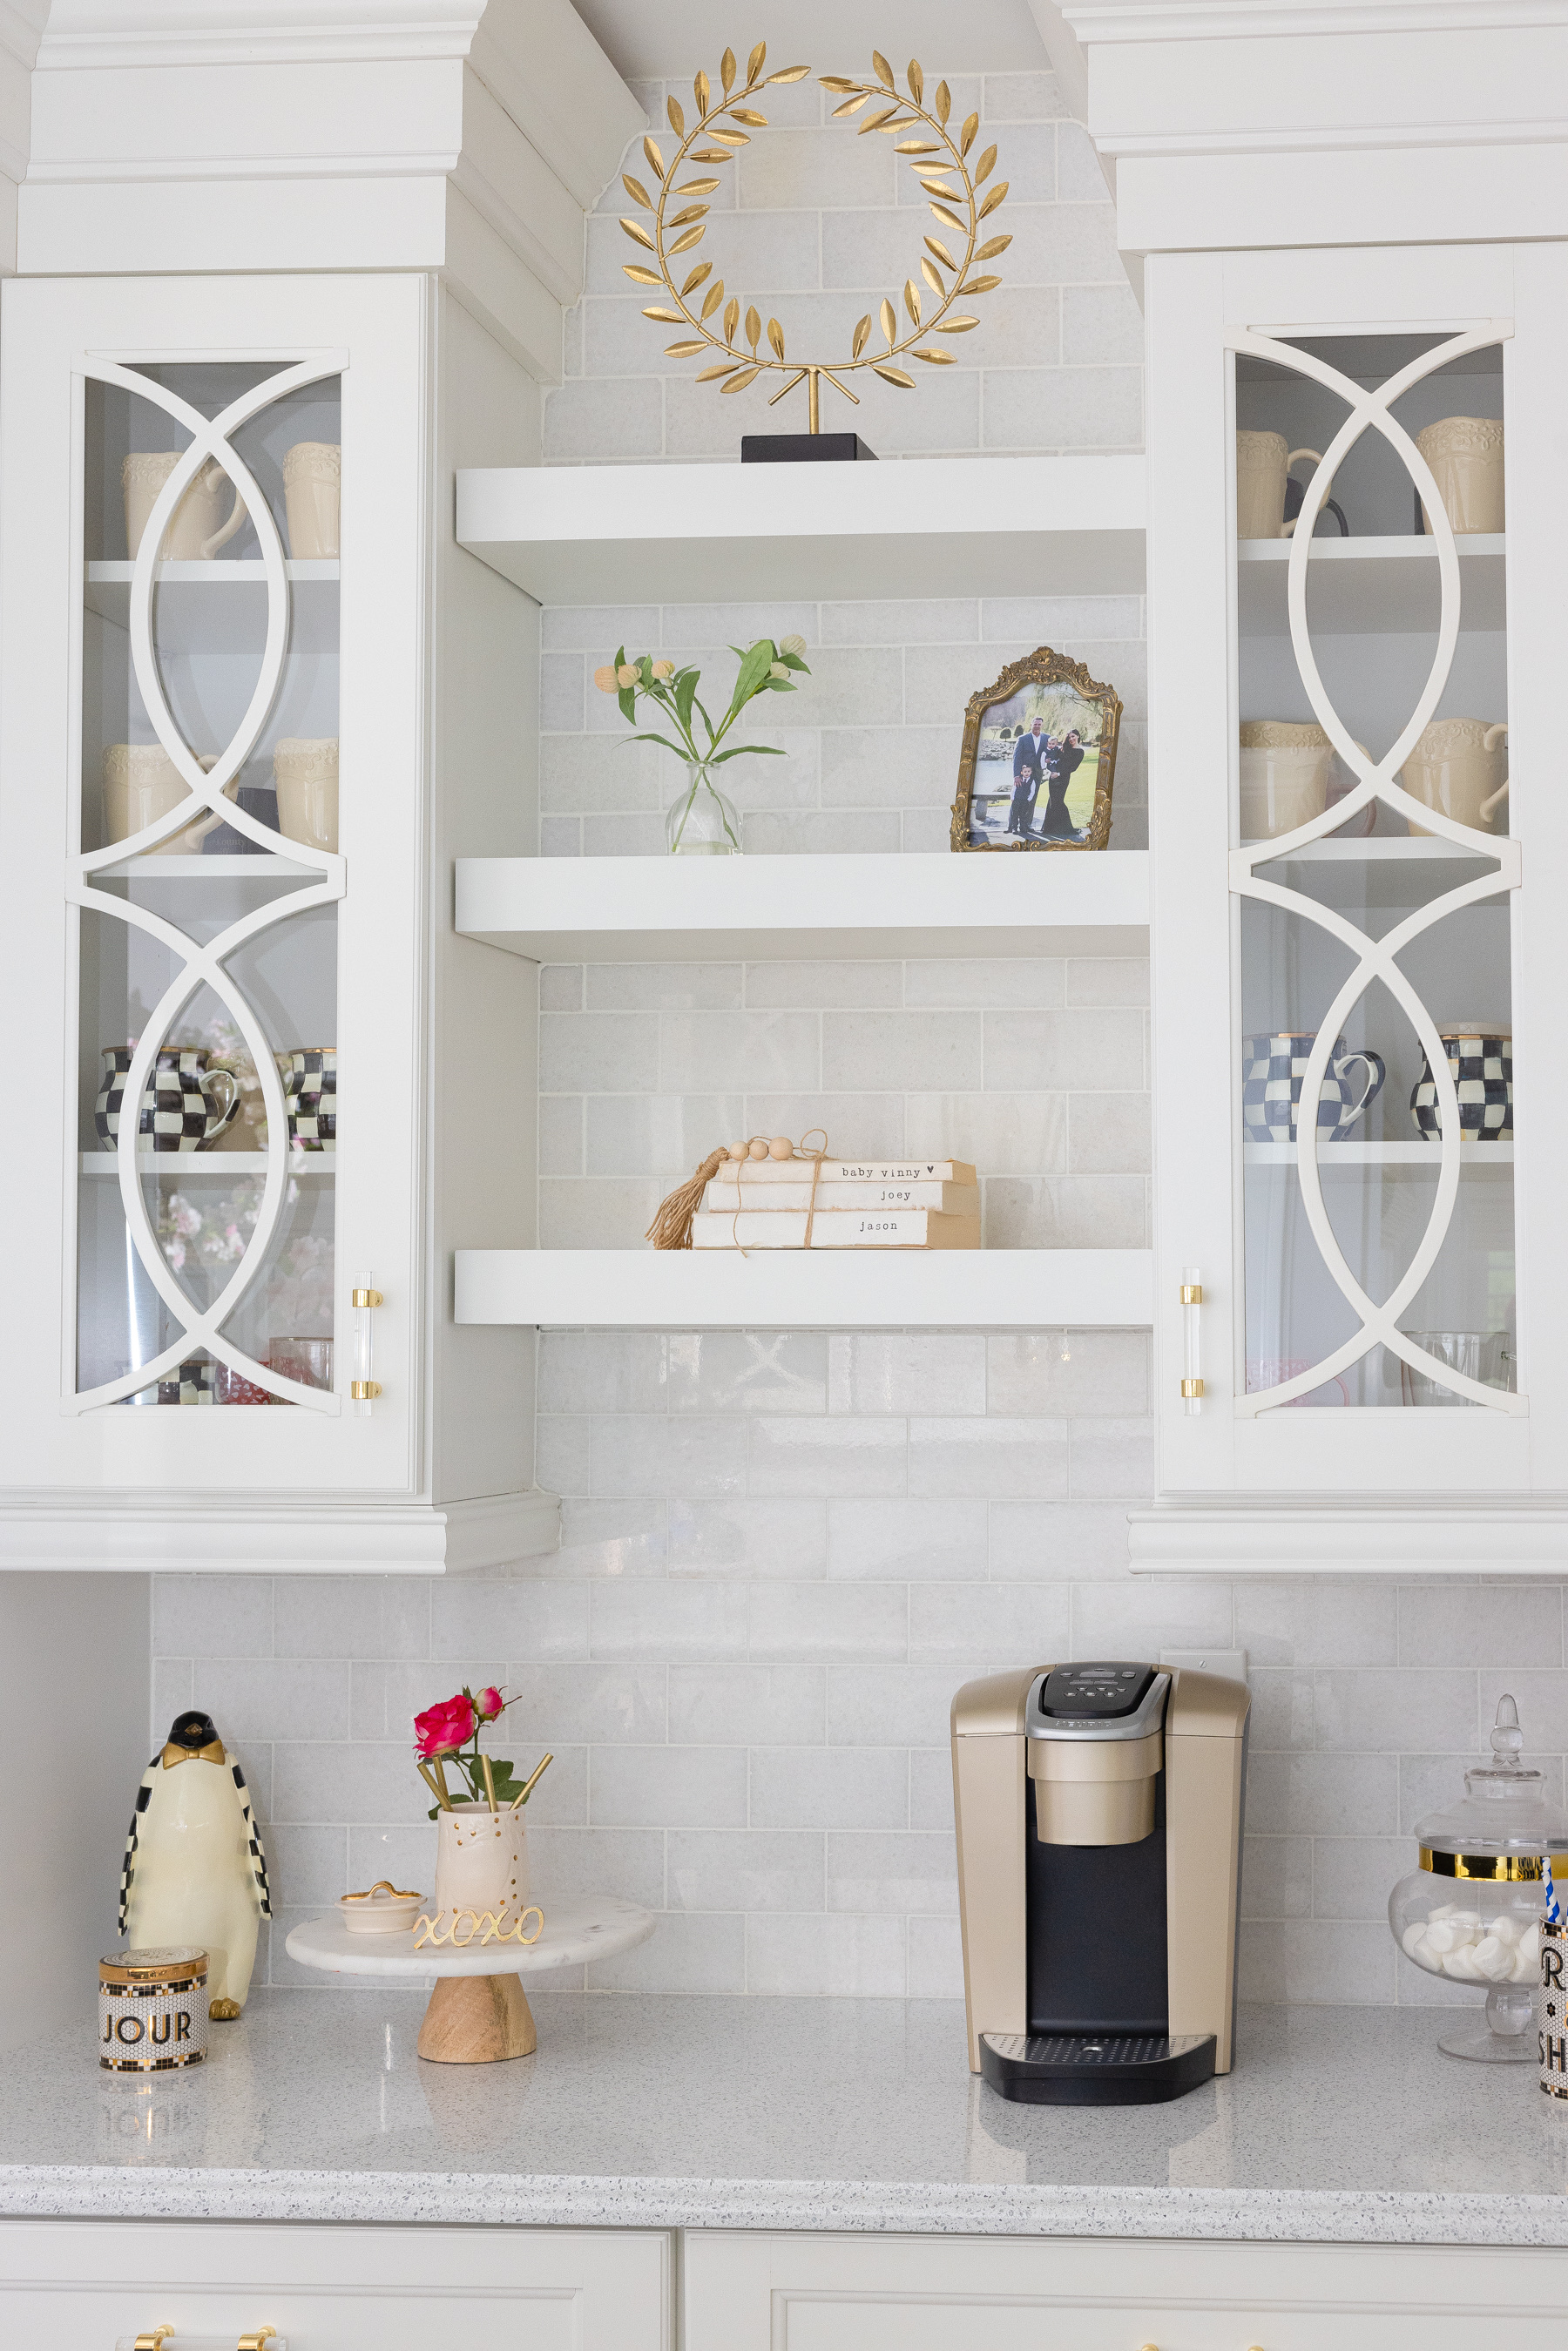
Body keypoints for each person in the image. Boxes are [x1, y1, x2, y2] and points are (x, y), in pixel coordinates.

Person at [1037, 726, 1085, 840]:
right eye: (1069, 737)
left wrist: (1058, 774)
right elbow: (1053, 756)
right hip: (1053, 777)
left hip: (1063, 778)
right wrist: (1047, 761)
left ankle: (1066, 828)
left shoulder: (1080, 752)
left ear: (1078, 736)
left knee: (1058, 801)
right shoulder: (1063, 748)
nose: (1071, 739)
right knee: (1052, 801)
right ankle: (1050, 828)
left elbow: (1073, 768)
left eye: (1073, 736)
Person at [1007, 716, 1046, 837]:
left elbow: (1051, 752)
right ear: (1031, 725)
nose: (1037, 726)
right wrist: (1016, 776)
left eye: (1039, 724)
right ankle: (1011, 826)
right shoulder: (1023, 739)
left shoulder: (1046, 738)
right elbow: (1016, 758)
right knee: (1016, 800)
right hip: (1023, 773)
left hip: (1037, 774)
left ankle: (1027, 825)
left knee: (1031, 799)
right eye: (1035, 724)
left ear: (1042, 725)